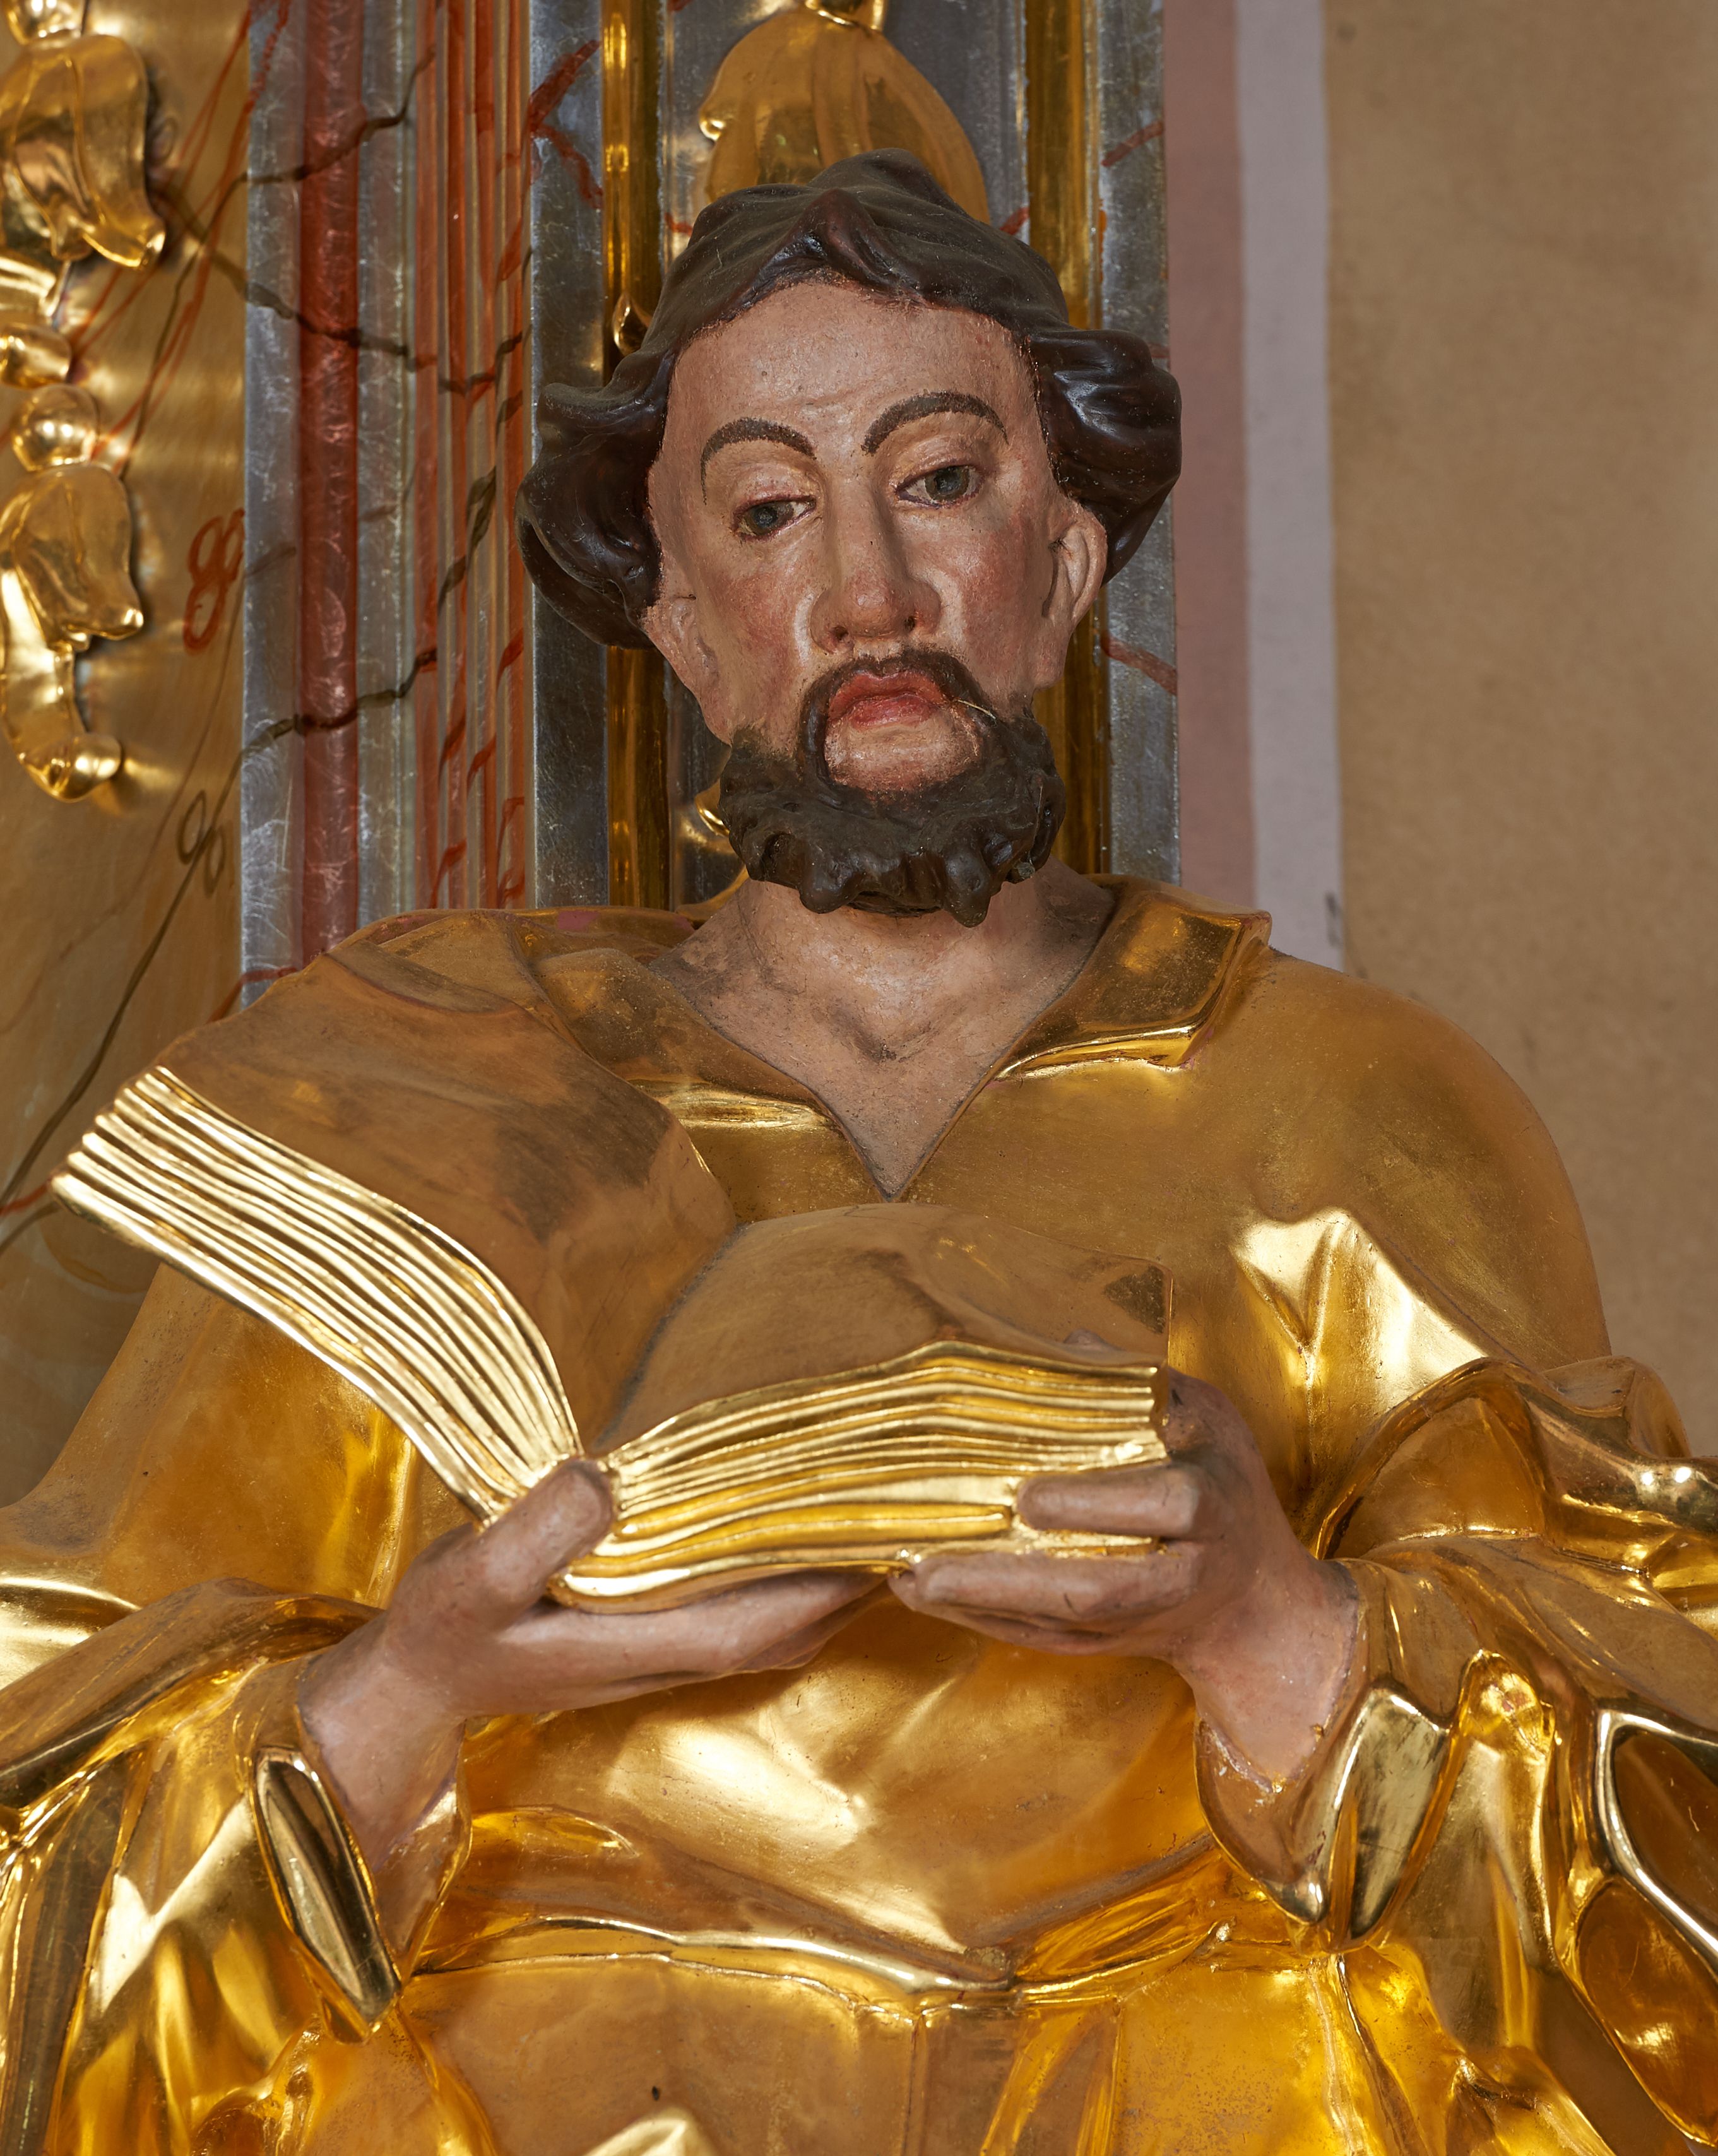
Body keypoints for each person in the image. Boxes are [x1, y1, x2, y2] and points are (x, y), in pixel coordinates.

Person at [1, 153, 1714, 2155]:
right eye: (767, 511)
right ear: (679, 625)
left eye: (939, 480)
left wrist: (1268, 1627)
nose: (868, 595)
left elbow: (1663, 1913)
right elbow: (41, 1864)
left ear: (1061, 565)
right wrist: (412, 1687)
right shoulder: (422, 1099)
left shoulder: (1361, 1109)